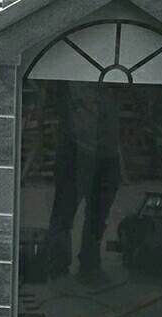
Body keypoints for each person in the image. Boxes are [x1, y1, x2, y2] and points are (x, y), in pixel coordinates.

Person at [47, 81, 121, 282]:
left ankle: (89, 265)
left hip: (107, 152)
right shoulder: (71, 79)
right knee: (64, 213)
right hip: (76, 149)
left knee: (97, 215)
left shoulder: (113, 81)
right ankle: (58, 269)